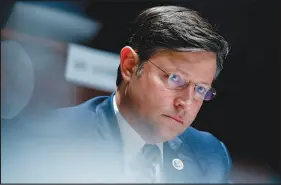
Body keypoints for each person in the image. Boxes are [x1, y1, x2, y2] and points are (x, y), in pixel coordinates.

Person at [1, 5, 231, 183]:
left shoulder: (210, 156)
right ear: (130, 65)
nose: (186, 103)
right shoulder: (43, 140)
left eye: (200, 89)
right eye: (175, 79)